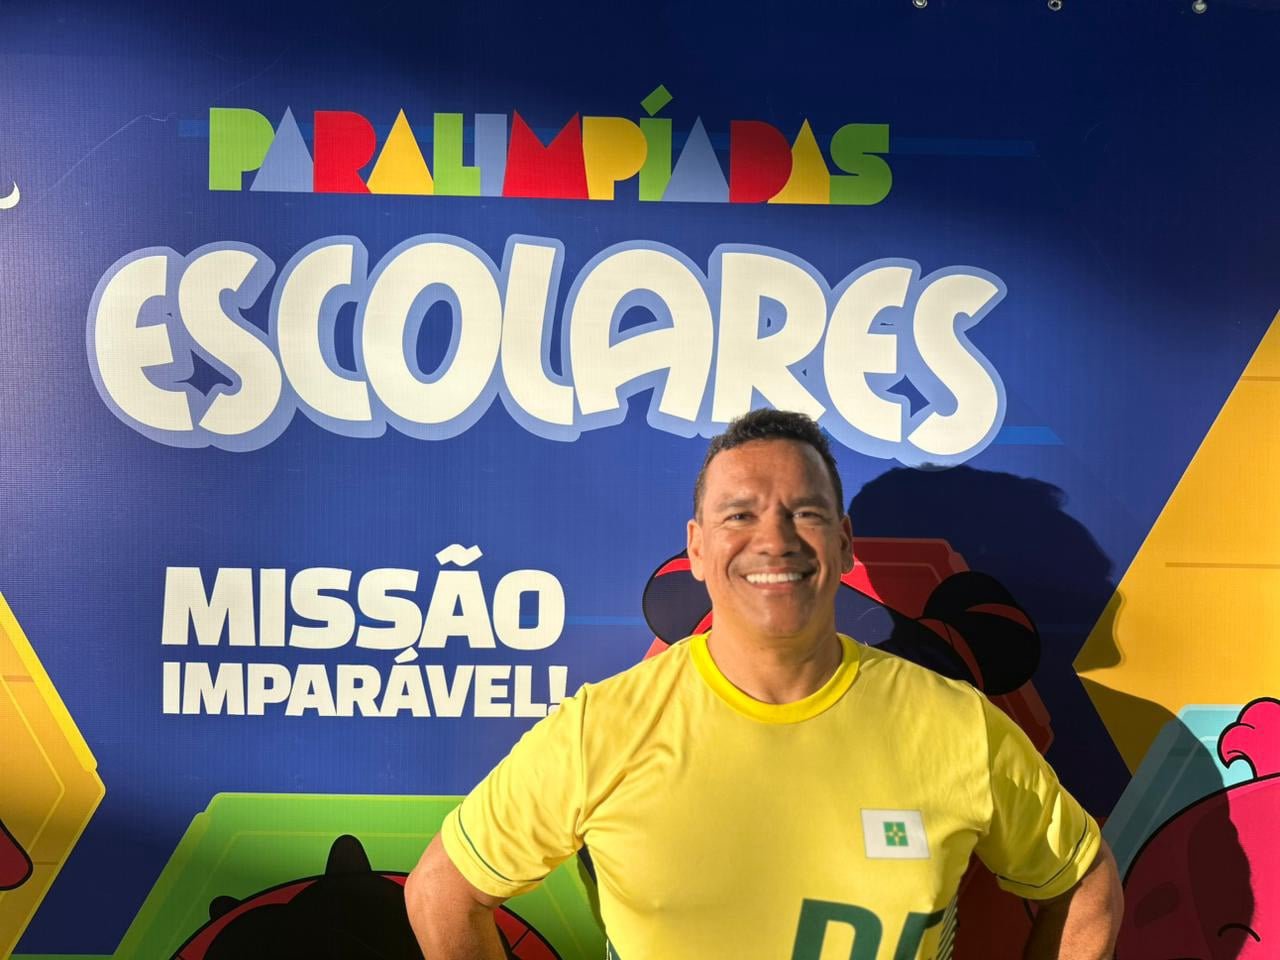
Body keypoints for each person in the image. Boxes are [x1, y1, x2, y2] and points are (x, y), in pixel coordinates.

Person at [405, 409, 1123, 959]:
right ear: (696, 549)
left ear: (844, 543)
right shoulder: (604, 727)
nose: (775, 540)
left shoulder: (955, 723)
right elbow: (443, 891)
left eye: (804, 513)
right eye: (739, 515)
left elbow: (1086, 886)